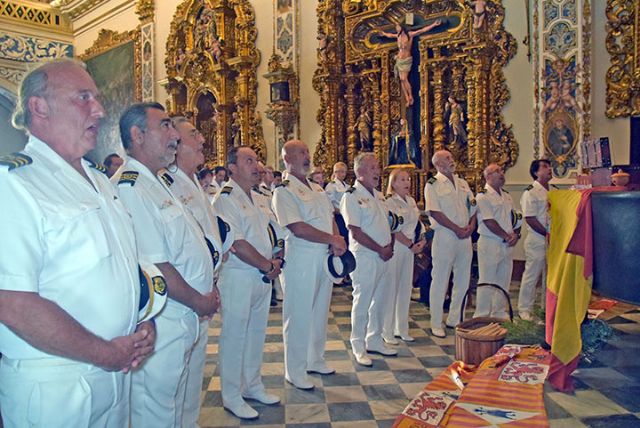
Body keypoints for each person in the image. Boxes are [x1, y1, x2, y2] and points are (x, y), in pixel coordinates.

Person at [0, 59, 155, 428]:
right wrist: (104, 352)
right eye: (83, 97)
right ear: (39, 107)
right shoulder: (15, 183)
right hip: (57, 385)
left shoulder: (100, 180)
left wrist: (143, 320)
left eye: (96, 98)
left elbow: (122, 266)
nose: (99, 109)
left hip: (116, 370)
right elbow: (13, 302)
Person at [116, 102, 220, 428]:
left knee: (180, 405)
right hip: (163, 320)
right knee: (156, 413)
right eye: (165, 126)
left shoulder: (160, 181)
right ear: (137, 135)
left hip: (185, 315)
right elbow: (155, 264)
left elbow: (190, 246)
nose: (174, 135)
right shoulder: (132, 186)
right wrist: (200, 299)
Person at [166, 116, 227, 426]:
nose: (203, 139)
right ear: (176, 142)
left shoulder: (194, 182)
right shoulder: (168, 183)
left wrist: (213, 281)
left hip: (203, 292)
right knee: (171, 386)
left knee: (193, 378)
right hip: (180, 297)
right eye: (195, 134)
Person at [213, 146, 282, 419]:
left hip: (264, 274)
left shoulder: (259, 197)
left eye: (256, 160)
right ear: (232, 167)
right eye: (248, 160)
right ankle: (231, 394)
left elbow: (273, 232)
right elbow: (237, 243)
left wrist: (276, 258)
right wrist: (267, 265)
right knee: (235, 335)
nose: (256, 166)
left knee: (256, 333)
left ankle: (252, 385)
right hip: (239, 275)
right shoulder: (225, 198)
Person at [272, 140, 346, 389]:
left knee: (319, 311)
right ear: (287, 159)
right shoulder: (284, 190)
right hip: (301, 257)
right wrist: (331, 238)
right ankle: (295, 370)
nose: (307, 156)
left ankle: (315, 359)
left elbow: (330, 217)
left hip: (323, 254)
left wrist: (336, 239)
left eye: (307, 151)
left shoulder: (317, 188)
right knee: (299, 313)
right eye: (300, 153)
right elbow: (297, 227)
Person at [341, 152, 397, 366]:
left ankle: (374, 339)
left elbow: (388, 224)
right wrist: (380, 249)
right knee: (362, 301)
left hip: (384, 255)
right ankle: (358, 345)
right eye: (373, 168)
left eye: (377, 167)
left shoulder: (380, 195)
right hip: (365, 256)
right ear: (360, 171)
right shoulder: (351, 196)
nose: (378, 171)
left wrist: (389, 245)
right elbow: (355, 231)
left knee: (380, 300)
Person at [424, 150, 477, 338]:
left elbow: (473, 206)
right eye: (447, 158)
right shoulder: (433, 185)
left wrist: (471, 226)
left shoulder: (462, 183)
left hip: (465, 236)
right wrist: (456, 228)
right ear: (438, 164)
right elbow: (434, 212)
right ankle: (436, 322)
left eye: (451, 157)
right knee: (440, 279)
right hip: (446, 235)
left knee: (463, 278)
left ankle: (456, 318)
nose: (452, 159)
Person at [383, 169, 426, 343]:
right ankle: (387, 331)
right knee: (391, 288)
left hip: (411, 248)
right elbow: (393, 228)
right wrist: (409, 244)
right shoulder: (389, 202)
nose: (407, 182)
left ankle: (402, 328)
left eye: (408, 179)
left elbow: (418, 223)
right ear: (393, 183)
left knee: (405, 288)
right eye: (402, 179)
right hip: (398, 247)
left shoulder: (411, 201)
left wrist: (421, 240)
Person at [474, 163, 520, 319]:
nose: (502, 173)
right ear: (488, 177)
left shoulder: (506, 195)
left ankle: (499, 311)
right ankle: (482, 315)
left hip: (506, 243)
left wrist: (516, 235)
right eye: (497, 171)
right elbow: (489, 221)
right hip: (490, 242)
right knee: (487, 279)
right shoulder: (482, 196)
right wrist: (507, 236)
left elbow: (515, 218)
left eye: (502, 170)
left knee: (504, 278)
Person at [378, 19, 443, 106]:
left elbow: (422, 30)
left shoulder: (410, 35)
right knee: (402, 80)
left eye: (398, 27)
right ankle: (407, 98)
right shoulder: (398, 36)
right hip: (399, 60)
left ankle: (410, 95)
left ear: (402, 27)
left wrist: (434, 24)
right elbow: (389, 35)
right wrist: (384, 34)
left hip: (406, 60)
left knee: (404, 78)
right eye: (396, 27)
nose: (397, 29)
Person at [518, 159, 552, 321]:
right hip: (537, 239)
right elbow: (530, 218)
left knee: (549, 276)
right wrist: (546, 233)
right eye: (545, 167)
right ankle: (525, 309)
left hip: (551, 240)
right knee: (532, 275)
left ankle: (546, 307)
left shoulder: (552, 191)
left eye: (549, 166)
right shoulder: (530, 192)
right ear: (536, 172)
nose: (549, 169)